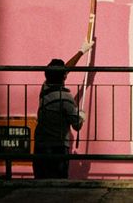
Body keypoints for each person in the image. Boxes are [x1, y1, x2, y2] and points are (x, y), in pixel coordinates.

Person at [32, 40, 93, 179]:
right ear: (64, 76)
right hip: (58, 148)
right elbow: (77, 126)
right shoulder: (66, 99)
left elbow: (65, 70)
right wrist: (81, 115)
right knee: (58, 183)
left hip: (41, 145)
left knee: (40, 182)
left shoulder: (45, 89)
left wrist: (81, 52)